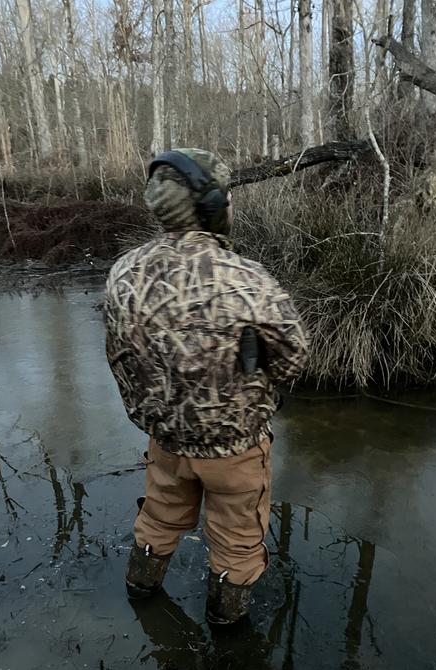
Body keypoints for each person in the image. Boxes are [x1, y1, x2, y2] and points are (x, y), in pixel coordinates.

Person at [105, 148, 308, 625]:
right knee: (237, 541)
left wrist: (155, 414)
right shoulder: (247, 278)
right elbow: (294, 357)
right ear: (212, 206)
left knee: (158, 517)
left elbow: (119, 358)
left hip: (166, 441)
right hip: (235, 448)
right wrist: (258, 380)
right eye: (226, 195)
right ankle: (228, 630)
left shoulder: (124, 271)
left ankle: (141, 592)